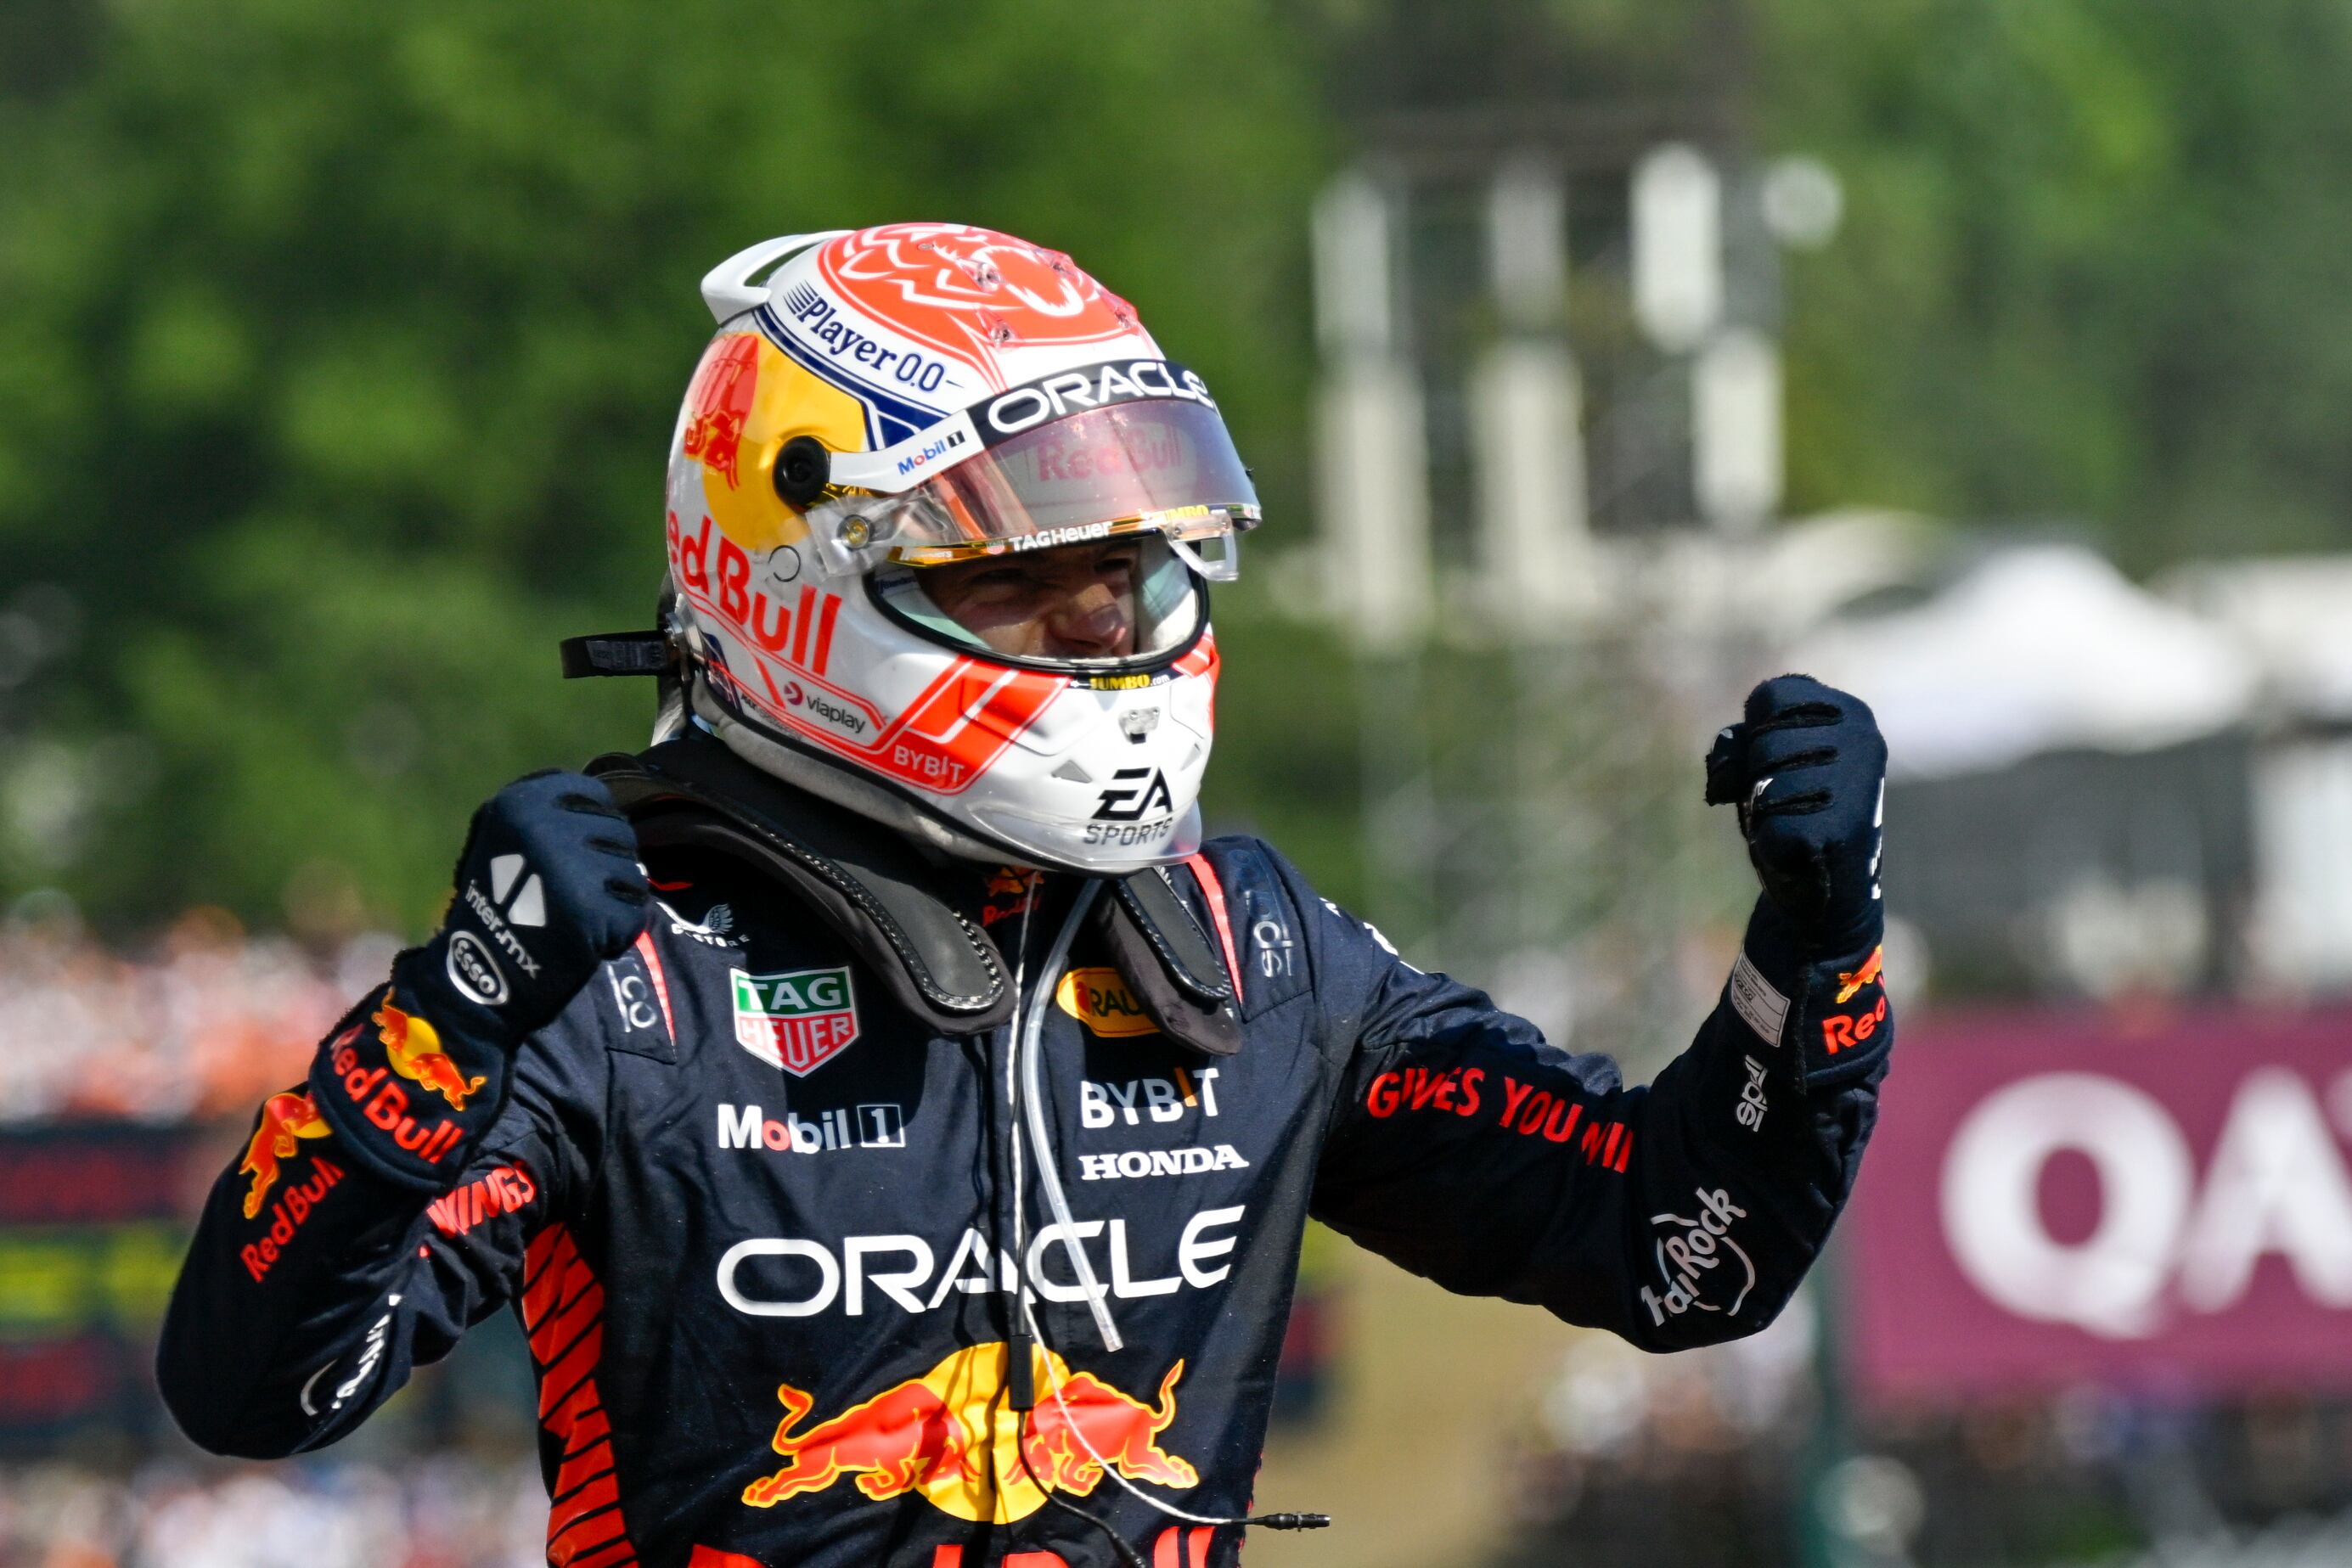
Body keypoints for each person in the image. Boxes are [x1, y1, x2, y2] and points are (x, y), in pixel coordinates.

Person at [157, 222, 1895, 1568]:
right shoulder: (619, 976)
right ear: (791, 582)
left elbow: (1681, 1255)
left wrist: (1812, 951)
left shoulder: (1249, 941)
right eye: (1026, 578)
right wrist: (445, 1014)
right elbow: (251, 1387)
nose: (1107, 629)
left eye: (1133, 567)